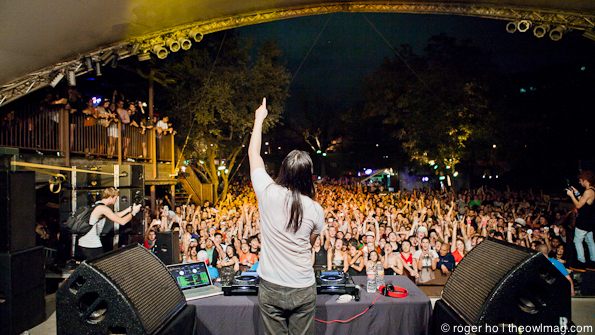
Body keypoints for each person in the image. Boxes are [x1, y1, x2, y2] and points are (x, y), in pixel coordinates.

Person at [249, 98, 324, 335]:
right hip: (302, 285)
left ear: (283, 170)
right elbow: (311, 243)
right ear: (308, 177)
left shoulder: (267, 192)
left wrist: (259, 118)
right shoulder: (315, 209)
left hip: (271, 286)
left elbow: (253, 153)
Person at [78, 187, 142, 260]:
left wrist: (129, 210)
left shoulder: (98, 204)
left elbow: (114, 216)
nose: (116, 200)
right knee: (99, 266)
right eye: (115, 198)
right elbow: (122, 221)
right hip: (90, 243)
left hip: (85, 241)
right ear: (110, 197)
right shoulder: (103, 208)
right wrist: (134, 213)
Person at [567, 170, 595, 272]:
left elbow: (578, 205)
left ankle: (581, 262)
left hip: (584, 221)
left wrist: (571, 195)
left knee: (577, 240)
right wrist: (577, 193)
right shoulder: (592, 190)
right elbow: (584, 202)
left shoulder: (588, 192)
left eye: (580, 180)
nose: (579, 182)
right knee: (590, 241)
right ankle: (593, 262)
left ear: (585, 180)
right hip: (590, 221)